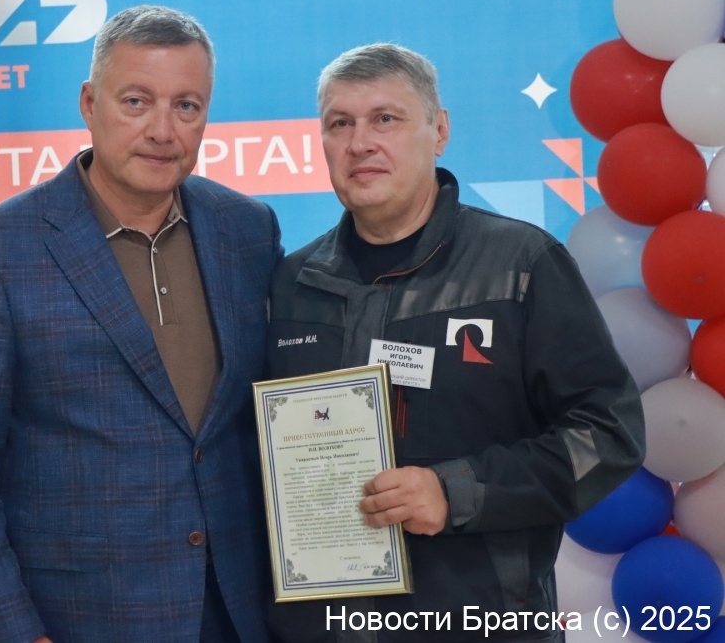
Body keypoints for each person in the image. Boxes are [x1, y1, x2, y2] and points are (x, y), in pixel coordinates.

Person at [0, 5, 282, 643]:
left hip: (242, 611)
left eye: (186, 106)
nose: (162, 130)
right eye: (136, 101)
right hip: (84, 619)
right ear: (89, 103)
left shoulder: (247, 230)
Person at [263, 43, 645, 642]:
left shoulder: (522, 264)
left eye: (385, 119)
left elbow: (608, 434)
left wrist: (454, 491)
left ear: (439, 131)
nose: (360, 143)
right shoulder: (293, 283)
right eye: (340, 124)